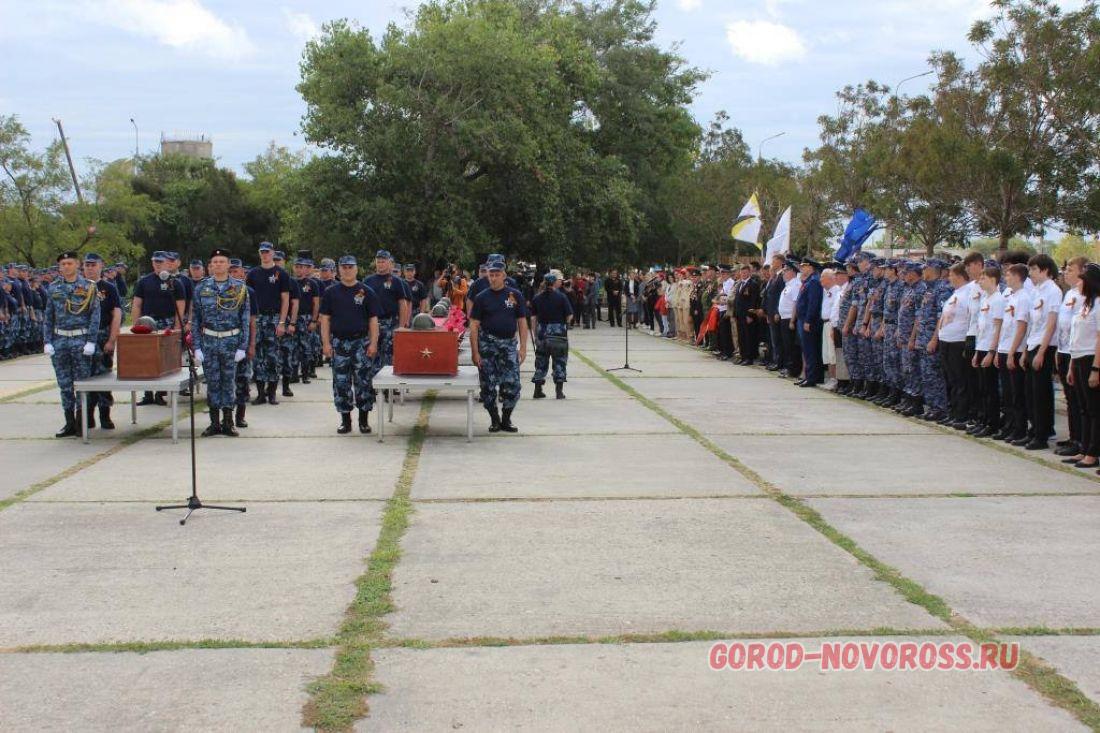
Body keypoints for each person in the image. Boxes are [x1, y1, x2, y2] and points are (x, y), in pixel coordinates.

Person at [192, 250, 251, 437]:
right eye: (215, 261)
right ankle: (214, 422)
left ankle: (228, 422)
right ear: (210, 265)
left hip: (231, 341)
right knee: (213, 382)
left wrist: (243, 346)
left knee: (228, 382)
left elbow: (245, 319)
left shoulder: (240, 288)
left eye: (222, 261)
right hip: (209, 340)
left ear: (228, 266)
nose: (218, 264)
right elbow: (195, 320)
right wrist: (197, 347)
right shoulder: (202, 288)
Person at [320, 255, 380, 434]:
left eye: (350, 267)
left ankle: (364, 421)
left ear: (356, 269)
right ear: (339, 270)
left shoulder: (366, 291)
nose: (347, 270)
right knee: (341, 383)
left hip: (361, 342)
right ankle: (345, 421)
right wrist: (326, 343)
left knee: (363, 382)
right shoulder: (331, 292)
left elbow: (373, 320)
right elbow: (325, 319)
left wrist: (373, 343)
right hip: (339, 343)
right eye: (344, 267)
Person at [43, 252, 100, 437]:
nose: (66, 266)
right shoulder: (53, 288)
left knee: (82, 384)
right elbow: (48, 316)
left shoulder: (89, 287)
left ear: (77, 265)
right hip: (60, 341)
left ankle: (81, 422)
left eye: (69, 263)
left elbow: (94, 316)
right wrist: (47, 341)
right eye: (63, 264)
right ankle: (69, 423)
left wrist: (91, 341)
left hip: (80, 340)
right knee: (64, 384)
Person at [470, 260, 529, 432]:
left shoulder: (514, 295)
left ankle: (506, 419)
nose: (494, 278)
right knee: (487, 386)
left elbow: (522, 322)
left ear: (504, 276)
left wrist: (523, 348)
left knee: (512, 384)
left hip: (509, 345)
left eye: (497, 275)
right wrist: (475, 352)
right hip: (488, 345)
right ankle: (494, 419)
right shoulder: (481, 298)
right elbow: (473, 325)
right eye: (491, 275)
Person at [131, 251, 186, 406]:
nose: (157, 264)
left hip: (167, 322)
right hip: (148, 323)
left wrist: (177, 326)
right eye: (155, 261)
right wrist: (136, 324)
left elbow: (180, 305)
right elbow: (136, 304)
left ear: (167, 263)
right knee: (146, 358)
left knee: (165, 358)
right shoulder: (144, 282)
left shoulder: (175, 282)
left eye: (160, 262)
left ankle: (161, 393)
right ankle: (148, 393)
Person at [1019, 254, 1061, 450]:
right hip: (1032, 343)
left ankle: (1042, 434)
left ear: (1045, 270)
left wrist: (1042, 351)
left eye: (1034, 270)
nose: (1031, 274)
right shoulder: (1036, 291)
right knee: (1030, 392)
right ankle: (1034, 429)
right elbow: (1032, 323)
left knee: (1041, 393)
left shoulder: (1053, 291)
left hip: (1045, 345)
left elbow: (1051, 324)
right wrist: (1026, 350)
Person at [246, 242, 291, 406]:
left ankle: (272, 393)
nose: (265, 254)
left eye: (267, 252)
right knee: (257, 356)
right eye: (262, 252)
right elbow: (248, 299)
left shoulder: (281, 273)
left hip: (274, 318)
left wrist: (281, 322)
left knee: (273, 356)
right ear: (259, 254)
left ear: (273, 253)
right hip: (257, 318)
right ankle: (260, 394)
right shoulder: (253, 274)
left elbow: (285, 299)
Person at [1064, 263, 1100, 470]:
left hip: (1090, 359)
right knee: (1084, 408)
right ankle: (1084, 448)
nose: (1079, 282)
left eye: (1083, 279)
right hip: (1077, 358)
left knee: (1094, 409)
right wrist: (1071, 366)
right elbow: (1075, 337)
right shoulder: (1085, 305)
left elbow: (1098, 338)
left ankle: (1093, 452)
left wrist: (1096, 369)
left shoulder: (1099, 303)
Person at [81, 253, 122, 429]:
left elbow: (116, 314)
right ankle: (87, 415)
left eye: (93, 265)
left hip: (103, 334)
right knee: (85, 377)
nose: (90, 268)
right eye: (87, 265)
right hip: (83, 337)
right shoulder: (77, 287)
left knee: (103, 375)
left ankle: (105, 414)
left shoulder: (109, 288)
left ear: (100, 266)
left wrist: (112, 339)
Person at [995, 263, 1032, 442]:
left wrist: (1011, 352)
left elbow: (1021, 327)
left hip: (1015, 350)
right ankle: (1009, 426)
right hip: (1004, 348)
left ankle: (1020, 429)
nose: (1005, 278)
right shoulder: (1011, 296)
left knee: (1017, 393)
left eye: (1008, 275)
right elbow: (1005, 325)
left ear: (1018, 277)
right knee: (1008, 394)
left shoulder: (1024, 298)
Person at [363, 249, 411, 382]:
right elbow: (360, 300)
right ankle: (372, 385)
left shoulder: (396, 281)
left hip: (390, 323)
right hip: (372, 323)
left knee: (389, 356)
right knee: (371, 354)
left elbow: (403, 304)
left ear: (390, 263)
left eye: (383, 261)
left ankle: (389, 386)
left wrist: (401, 327)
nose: (380, 264)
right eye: (378, 261)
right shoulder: (367, 281)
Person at [1055, 257, 1087, 456]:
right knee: (1070, 399)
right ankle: (1074, 436)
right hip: (1064, 350)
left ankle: (1082, 440)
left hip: (1077, 353)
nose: (1066, 272)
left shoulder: (1086, 296)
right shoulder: (1069, 294)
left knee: (1079, 399)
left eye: (1071, 269)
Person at [937, 263, 975, 429]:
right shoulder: (955, 293)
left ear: (959, 276)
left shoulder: (968, 292)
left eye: (951, 275)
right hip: (946, 339)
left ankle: (961, 415)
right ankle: (952, 412)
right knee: (950, 379)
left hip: (958, 341)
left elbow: (970, 316)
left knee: (960, 381)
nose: (948, 277)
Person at [970, 265, 1004, 437]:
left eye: (983, 278)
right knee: (982, 388)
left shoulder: (998, 300)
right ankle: (983, 420)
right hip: (981, 347)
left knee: (990, 390)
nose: (980, 281)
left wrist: (992, 352)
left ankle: (992, 423)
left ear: (992, 279)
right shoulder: (985, 298)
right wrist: (977, 352)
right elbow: (981, 328)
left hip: (990, 348)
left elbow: (997, 328)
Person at [530, 270, 573, 399]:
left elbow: (533, 318)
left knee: (541, 361)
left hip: (542, 331)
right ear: (554, 282)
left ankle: (538, 390)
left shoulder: (537, 298)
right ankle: (559, 391)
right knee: (559, 361)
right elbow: (570, 315)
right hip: (558, 332)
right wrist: (563, 325)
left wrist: (535, 333)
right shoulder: (561, 297)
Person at [275, 251, 301, 397]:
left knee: (286, 355)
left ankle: (286, 386)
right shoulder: (268, 278)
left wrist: (292, 323)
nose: (277, 263)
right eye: (275, 260)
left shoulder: (291, 281)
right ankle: (268, 388)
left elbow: (295, 303)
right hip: (270, 322)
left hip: (286, 322)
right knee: (270, 357)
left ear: (284, 262)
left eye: (279, 260)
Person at [796, 258, 824, 387]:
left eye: (804, 266)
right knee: (807, 349)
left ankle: (812, 377)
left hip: (809, 321)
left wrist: (808, 320)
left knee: (811, 349)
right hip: (803, 319)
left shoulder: (813, 281)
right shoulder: (808, 281)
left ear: (811, 267)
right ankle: (809, 375)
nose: (801, 268)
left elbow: (813, 303)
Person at [293, 257, 321, 385]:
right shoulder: (290, 282)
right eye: (297, 266)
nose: (299, 269)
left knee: (306, 347)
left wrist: (314, 320)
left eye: (301, 267)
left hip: (307, 317)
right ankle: (293, 374)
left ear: (305, 269)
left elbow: (316, 303)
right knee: (292, 347)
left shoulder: (312, 284)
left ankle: (305, 374)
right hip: (293, 318)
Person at [777, 259, 802, 378]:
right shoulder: (788, 285)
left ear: (792, 271)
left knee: (792, 345)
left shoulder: (796, 284)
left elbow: (796, 303)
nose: (783, 273)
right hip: (784, 318)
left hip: (790, 319)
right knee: (786, 345)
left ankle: (793, 369)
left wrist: (792, 320)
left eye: (785, 270)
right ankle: (788, 366)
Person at [734, 264, 761, 365]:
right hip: (739, 315)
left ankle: (749, 358)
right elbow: (737, 300)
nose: (743, 274)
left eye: (745, 272)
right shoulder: (740, 283)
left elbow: (753, 301)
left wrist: (750, 315)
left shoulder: (752, 284)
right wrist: (735, 313)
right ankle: (743, 355)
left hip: (747, 315)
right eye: (742, 272)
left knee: (748, 337)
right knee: (741, 337)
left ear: (749, 273)